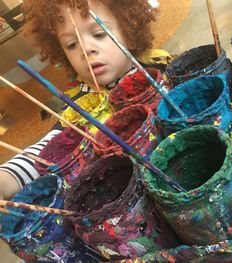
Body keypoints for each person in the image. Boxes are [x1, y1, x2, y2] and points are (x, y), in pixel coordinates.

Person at [0, 0, 156, 201]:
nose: (86, 49)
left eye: (99, 34)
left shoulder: (161, 76)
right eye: (71, 44)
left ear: (129, 26)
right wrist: (5, 179)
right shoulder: (79, 108)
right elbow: (49, 147)